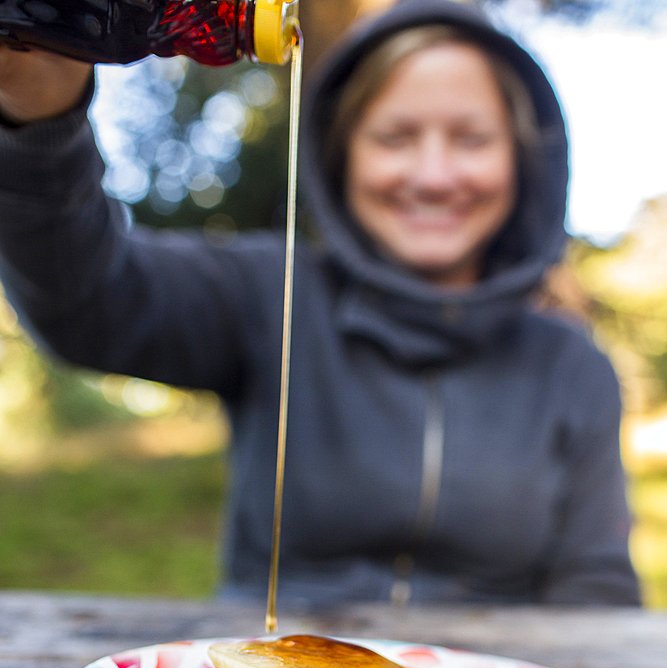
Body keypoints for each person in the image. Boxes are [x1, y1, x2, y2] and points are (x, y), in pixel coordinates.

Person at [0, 0, 641, 607]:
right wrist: (42, 115)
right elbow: (84, 303)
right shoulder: (266, 292)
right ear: (343, 155)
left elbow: (598, 592)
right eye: (395, 136)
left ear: (523, 159)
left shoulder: (573, 368)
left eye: (471, 138)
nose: (434, 174)